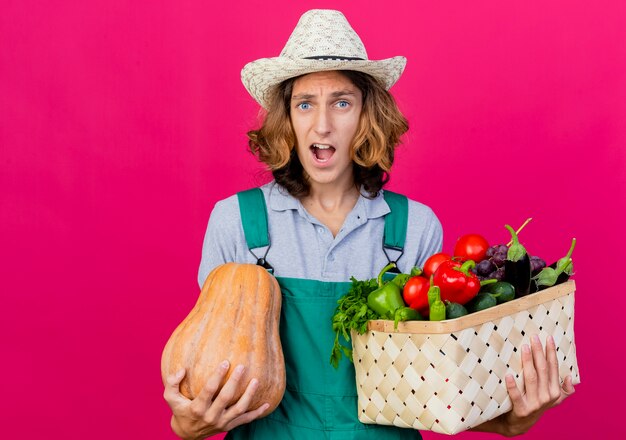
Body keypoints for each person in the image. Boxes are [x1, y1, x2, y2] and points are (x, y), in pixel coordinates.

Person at [163, 9, 575, 439]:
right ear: (287, 119)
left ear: (367, 115)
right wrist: (187, 422)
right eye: (305, 104)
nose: (322, 124)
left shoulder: (414, 228)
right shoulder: (236, 223)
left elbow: (431, 391)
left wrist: (513, 419)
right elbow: (207, 375)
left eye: (342, 103)